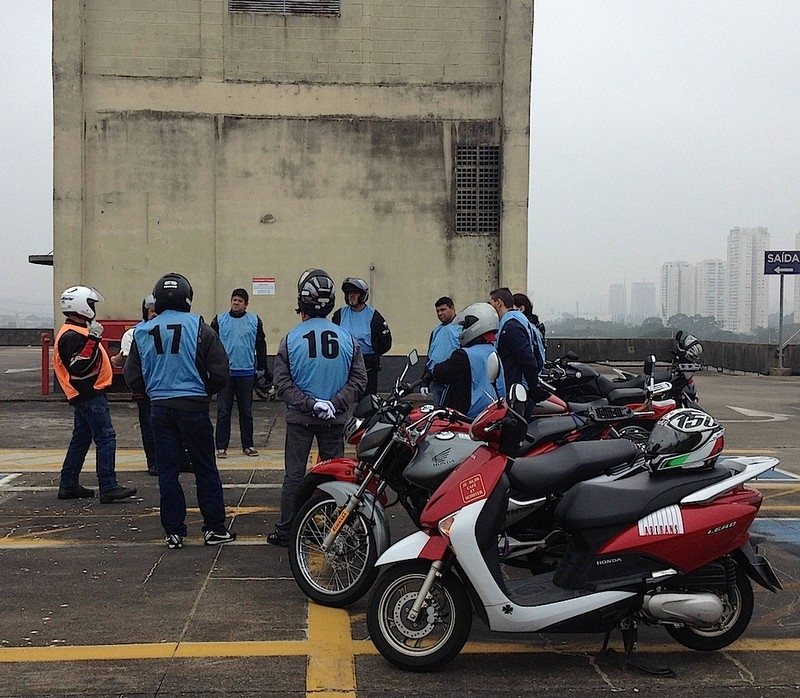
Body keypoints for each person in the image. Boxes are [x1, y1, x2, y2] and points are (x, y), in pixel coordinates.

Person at [124, 272, 236, 550]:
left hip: (160, 407)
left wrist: (154, 389)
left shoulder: (143, 331)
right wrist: (204, 390)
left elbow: (132, 376)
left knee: (167, 472)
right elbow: (221, 371)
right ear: (187, 297)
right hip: (194, 406)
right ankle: (214, 528)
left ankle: (174, 531)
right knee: (205, 469)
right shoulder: (199, 326)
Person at [267, 269, 367, 547]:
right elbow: (359, 380)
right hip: (334, 419)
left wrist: (311, 404)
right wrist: (333, 403)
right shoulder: (347, 339)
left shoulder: (290, 339)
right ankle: (337, 528)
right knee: (336, 476)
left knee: (295, 476)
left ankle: (288, 530)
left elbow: (282, 383)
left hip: (300, 418)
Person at [54, 286, 137, 503]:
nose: (93, 308)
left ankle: (69, 483)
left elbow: (89, 361)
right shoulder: (73, 335)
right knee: (106, 437)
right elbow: (79, 365)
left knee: (81, 439)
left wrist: (110, 360)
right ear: (81, 305)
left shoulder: (78, 331)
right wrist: (93, 339)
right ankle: (108, 486)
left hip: (86, 393)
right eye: (91, 304)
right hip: (89, 394)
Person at [211, 288, 268, 458]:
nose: (236, 303)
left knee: (246, 412)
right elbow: (211, 346)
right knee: (223, 412)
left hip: (246, 373)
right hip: (226, 374)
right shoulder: (219, 320)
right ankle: (221, 447)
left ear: (246, 304)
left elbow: (261, 344)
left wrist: (263, 366)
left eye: (240, 301)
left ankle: (248, 445)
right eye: (234, 300)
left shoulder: (254, 321)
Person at [111, 295, 159, 475]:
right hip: (146, 388)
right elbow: (126, 360)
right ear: (145, 312)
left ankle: (181, 459)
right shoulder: (134, 333)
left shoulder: (169, 330)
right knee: (149, 426)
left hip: (166, 388)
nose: (155, 314)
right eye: (152, 311)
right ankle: (153, 462)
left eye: (158, 311)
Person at [431, 302, 502, 419]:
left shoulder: (464, 355)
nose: (463, 330)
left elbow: (439, 373)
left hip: (468, 415)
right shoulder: (492, 350)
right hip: (491, 411)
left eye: (465, 326)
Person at [489, 286, 546, 418]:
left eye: (491, 303)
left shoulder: (511, 326)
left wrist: (532, 387)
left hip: (516, 391)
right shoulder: (518, 320)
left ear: (498, 302)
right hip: (518, 387)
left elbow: (526, 358)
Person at [331, 277, 391, 397]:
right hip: (344, 366)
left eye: (355, 293)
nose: (351, 296)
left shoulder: (374, 316)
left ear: (362, 295)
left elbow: (386, 343)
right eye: (349, 293)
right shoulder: (339, 315)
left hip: (367, 367)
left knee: (367, 402)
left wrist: (372, 356)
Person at [420, 296, 461, 406]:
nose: (440, 313)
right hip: (437, 381)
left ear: (452, 308)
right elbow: (431, 358)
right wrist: (425, 381)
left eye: (443, 310)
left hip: (453, 382)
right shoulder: (436, 331)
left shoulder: (461, 328)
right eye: (437, 311)